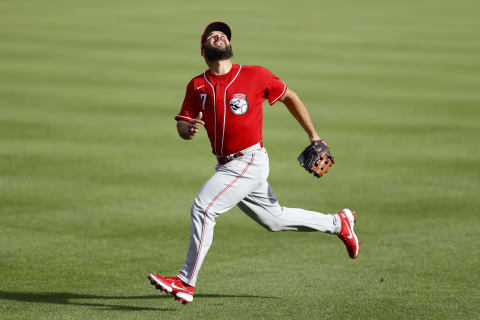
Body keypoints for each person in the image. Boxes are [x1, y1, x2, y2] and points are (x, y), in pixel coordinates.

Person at [148, 21, 359, 305]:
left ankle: (185, 281)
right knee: (274, 219)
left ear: (230, 45)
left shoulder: (255, 76)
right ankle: (338, 223)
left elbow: (290, 97)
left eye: (223, 35)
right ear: (204, 50)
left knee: (204, 207)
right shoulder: (197, 85)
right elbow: (183, 127)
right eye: (213, 36)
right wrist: (187, 130)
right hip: (227, 166)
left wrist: (314, 136)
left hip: (249, 160)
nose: (219, 36)